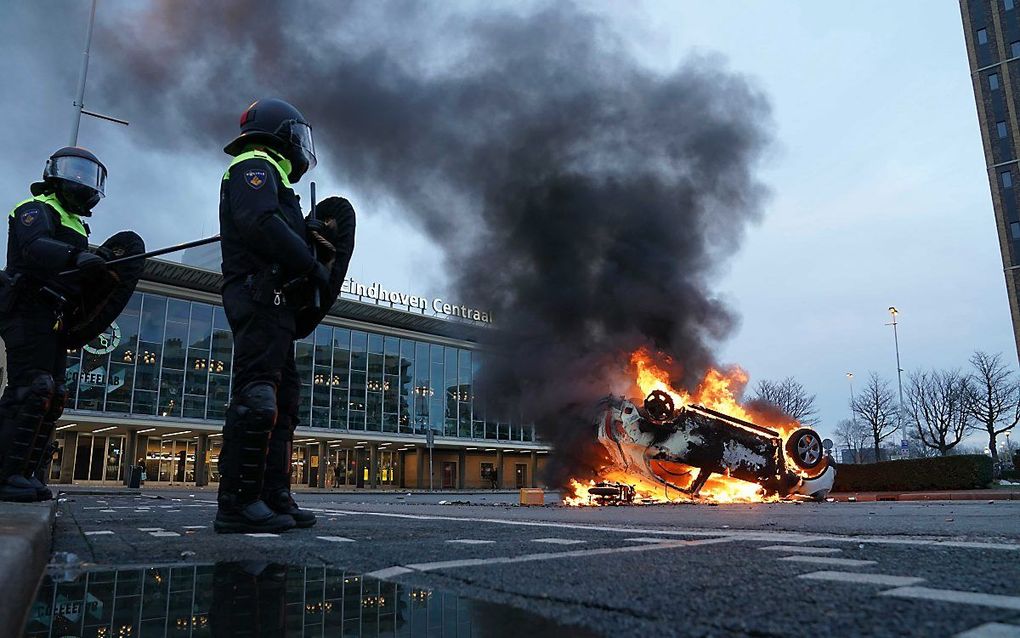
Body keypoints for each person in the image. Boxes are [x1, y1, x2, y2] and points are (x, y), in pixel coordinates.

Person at [215, 98, 355, 533]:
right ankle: (237, 503)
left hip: (277, 304)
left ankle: (273, 494)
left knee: (283, 403)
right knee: (257, 399)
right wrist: (311, 265)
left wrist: (313, 239)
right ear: (282, 134)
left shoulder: (274, 177)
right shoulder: (252, 165)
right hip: (258, 298)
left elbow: (278, 227)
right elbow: (260, 223)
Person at [0, 147, 111, 502]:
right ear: (54, 174)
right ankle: (5, 473)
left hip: (57, 318)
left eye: (89, 174)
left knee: (52, 394)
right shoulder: (35, 209)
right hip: (28, 309)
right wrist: (77, 256)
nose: (83, 181)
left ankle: (25, 471)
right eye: (75, 171)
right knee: (29, 389)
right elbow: (35, 249)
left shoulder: (77, 223)